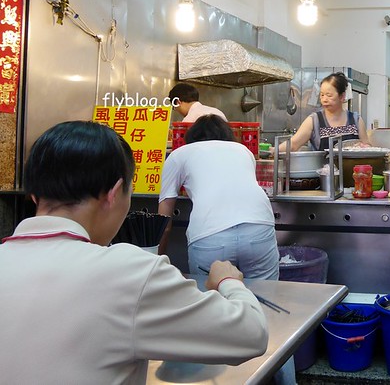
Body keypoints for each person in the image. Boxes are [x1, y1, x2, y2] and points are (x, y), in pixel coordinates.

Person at [0, 121, 267, 384]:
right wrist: (229, 282)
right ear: (114, 194)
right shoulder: (130, 272)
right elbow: (251, 333)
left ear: (34, 196)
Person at [158, 115, 278, 279]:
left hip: (210, 236)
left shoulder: (179, 154)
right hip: (258, 228)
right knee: (265, 296)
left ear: (191, 136)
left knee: (212, 300)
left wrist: (157, 261)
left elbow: (164, 221)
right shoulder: (243, 150)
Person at [284, 72, 369, 151]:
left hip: (350, 167)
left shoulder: (356, 120)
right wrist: (274, 150)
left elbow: (367, 147)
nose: (324, 99)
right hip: (323, 167)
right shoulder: (314, 120)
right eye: (322, 95)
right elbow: (293, 144)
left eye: (329, 95)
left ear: (342, 96)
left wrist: (362, 147)